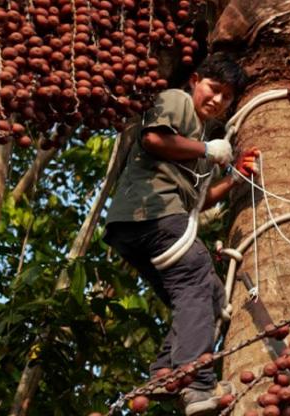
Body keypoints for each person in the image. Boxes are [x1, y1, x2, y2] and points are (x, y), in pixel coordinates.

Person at [103, 53, 258, 416]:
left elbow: (198, 201)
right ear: (195, 80)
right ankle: (197, 385)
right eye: (213, 88)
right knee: (195, 275)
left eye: (227, 97)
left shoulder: (200, 146)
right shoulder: (177, 100)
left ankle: (165, 373)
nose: (217, 100)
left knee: (213, 298)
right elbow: (153, 139)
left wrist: (233, 179)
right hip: (151, 214)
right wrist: (207, 148)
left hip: (137, 228)